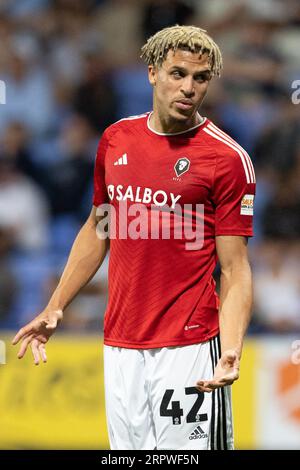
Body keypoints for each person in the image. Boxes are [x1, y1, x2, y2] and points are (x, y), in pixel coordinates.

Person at [13, 25, 256, 450]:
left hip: (190, 344)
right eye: (177, 74)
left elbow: (235, 268)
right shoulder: (116, 139)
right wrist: (55, 306)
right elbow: (98, 227)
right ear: (152, 73)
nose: (189, 88)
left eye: (200, 79)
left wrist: (231, 347)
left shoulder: (227, 159)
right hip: (120, 344)